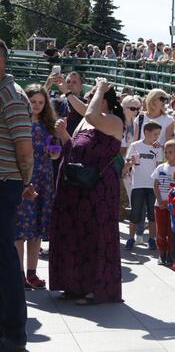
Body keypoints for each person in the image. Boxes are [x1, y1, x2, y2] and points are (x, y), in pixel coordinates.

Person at [50, 77, 124, 305]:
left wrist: (101, 87)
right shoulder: (86, 120)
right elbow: (75, 145)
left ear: (104, 101)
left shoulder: (113, 120)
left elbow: (90, 114)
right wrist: (64, 134)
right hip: (76, 186)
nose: (89, 99)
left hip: (99, 188)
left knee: (96, 236)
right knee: (75, 235)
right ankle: (75, 285)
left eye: (93, 96)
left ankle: (96, 289)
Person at [0, 39, 34, 351]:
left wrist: (25, 183)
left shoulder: (10, 96)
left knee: (5, 259)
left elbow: (25, 148)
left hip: (5, 185)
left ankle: (13, 332)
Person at [15, 85, 60, 290]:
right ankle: (18, 274)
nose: (37, 106)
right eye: (33, 101)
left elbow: (55, 154)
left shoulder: (48, 125)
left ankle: (32, 273)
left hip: (44, 178)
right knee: (21, 230)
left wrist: (54, 147)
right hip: (24, 178)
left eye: (41, 102)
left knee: (37, 230)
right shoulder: (19, 122)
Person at [124, 121, 163, 250]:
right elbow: (127, 164)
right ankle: (130, 238)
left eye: (158, 134)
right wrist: (131, 163)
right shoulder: (135, 145)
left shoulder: (157, 148)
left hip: (152, 186)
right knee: (135, 214)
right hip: (138, 185)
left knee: (152, 215)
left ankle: (152, 239)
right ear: (146, 133)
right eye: (155, 134)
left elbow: (159, 167)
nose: (157, 137)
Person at [151, 139, 175, 265]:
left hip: (174, 207)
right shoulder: (160, 167)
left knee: (172, 231)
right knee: (161, 230)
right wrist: (160, 201)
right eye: (165, 151)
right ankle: (162, 253)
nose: (167, 154)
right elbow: (155, 185)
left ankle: (171, 253)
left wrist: (171, 202)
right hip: (159, 206)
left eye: (170, 152)